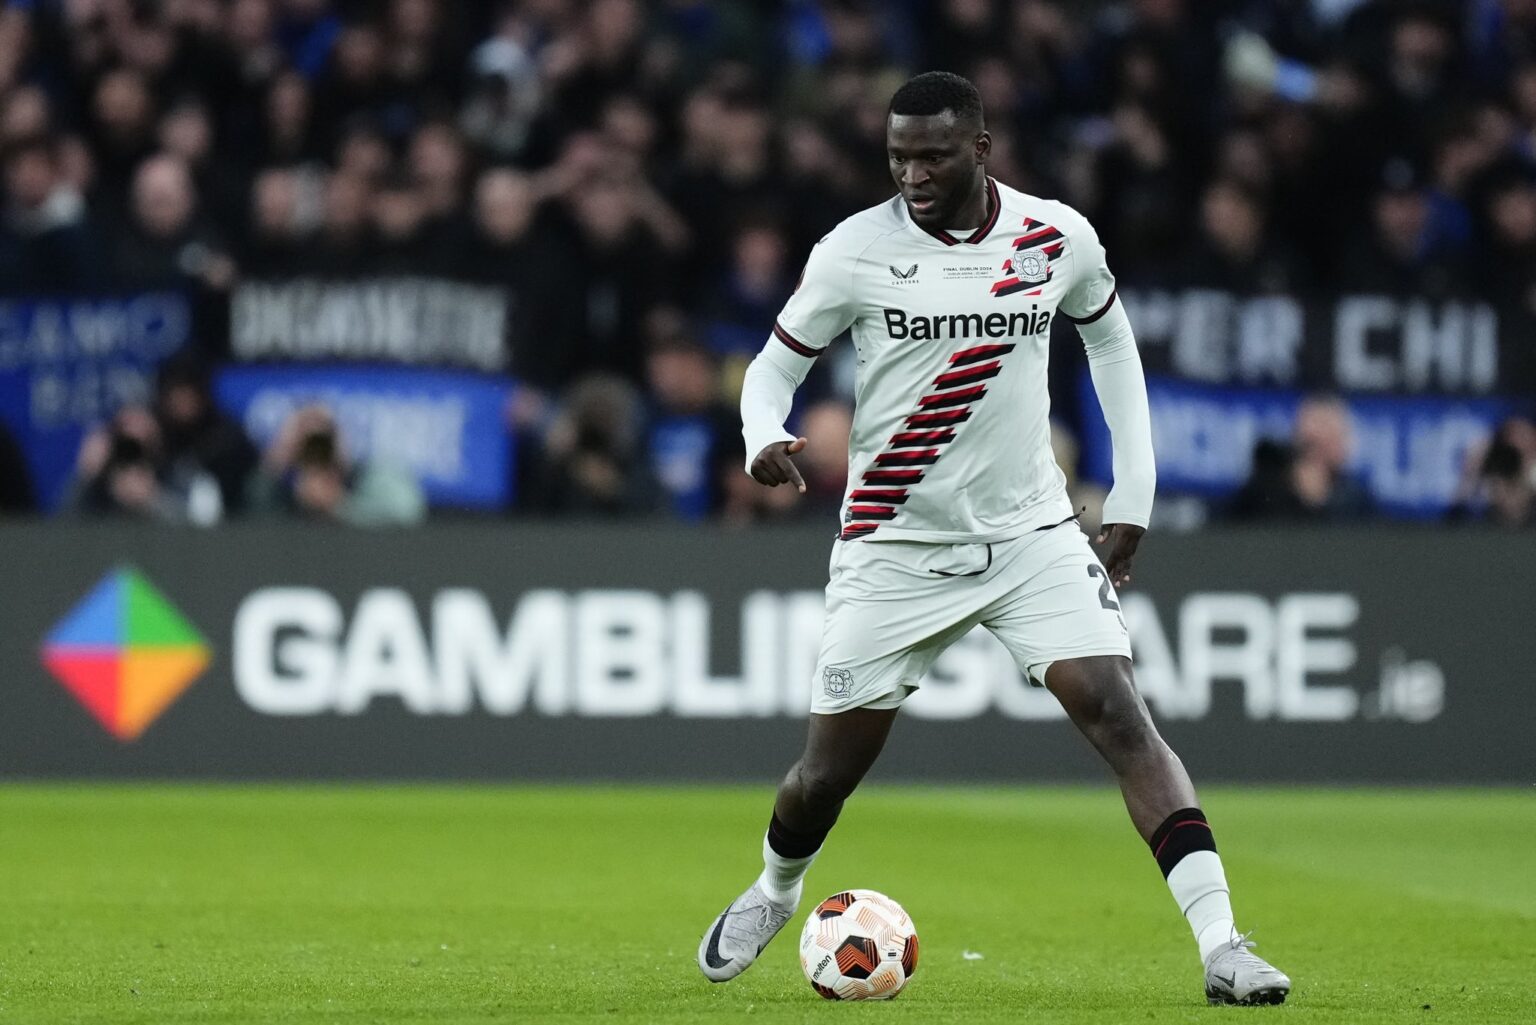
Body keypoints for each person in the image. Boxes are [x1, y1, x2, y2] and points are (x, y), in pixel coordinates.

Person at [696, 72, 1291, 1007]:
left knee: (1120, 715)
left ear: (980, 148)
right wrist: (760, 432)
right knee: (825, 775)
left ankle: (1224, 945)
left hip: (1031, 532)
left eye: (932, 156)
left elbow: (1112, 344)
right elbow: (772, 368)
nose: (912, 175)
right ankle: (775, 888)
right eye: (898, 158)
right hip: (892, 545)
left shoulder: (1056, 237)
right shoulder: (854, 250)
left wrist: (1134, 489)